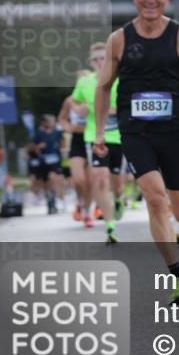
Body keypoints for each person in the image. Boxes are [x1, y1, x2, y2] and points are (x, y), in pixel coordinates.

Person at [93, 0, 179, 305]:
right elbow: (103, 87)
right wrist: (101, 132)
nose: (150, 0)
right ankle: (177, 276)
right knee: (156, 198)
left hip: (174, 132)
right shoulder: (119, 39)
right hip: (135, 132)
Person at [72, 42, 123, 242]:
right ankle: (110, 227)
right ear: (91, 63)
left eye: (103, 58)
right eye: (96, 59)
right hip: (94, 136)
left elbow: (130, 104)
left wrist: (113, 110)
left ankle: (119, 199)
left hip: (118, 137)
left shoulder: (120, 79)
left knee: (117, 185)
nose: (100, 62)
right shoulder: (85, 82)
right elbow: (74, 102)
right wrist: (80, 109)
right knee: (100, 179)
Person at [59, 71, 92, 226]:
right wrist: (69, 128)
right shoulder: (69, 101)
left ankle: (86, 213)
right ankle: (80, 201)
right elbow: (62, 119)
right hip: (77, 141)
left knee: (90, 180)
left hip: (92, 139)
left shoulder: (95, 96)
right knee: (78, 179)